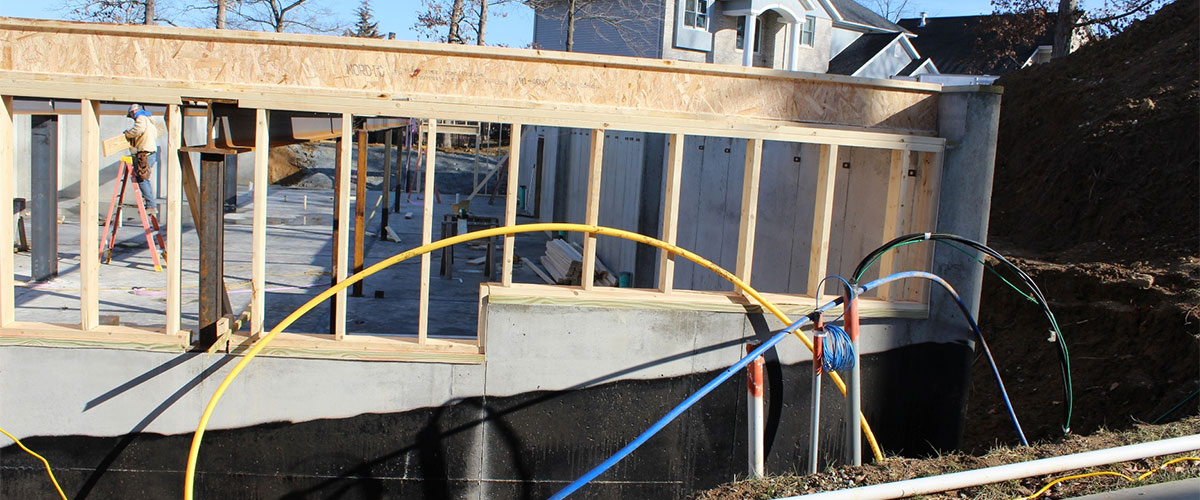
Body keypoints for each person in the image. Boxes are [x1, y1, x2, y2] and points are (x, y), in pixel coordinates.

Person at [123, 103, 158, 214]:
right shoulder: (149, 119)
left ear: (133, 112)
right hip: (150, 152)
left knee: (142, 179)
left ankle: (151, 205)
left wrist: (128, 134)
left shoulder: (141, 118)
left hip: (145, 153)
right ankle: (150, 203)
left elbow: (138, 130)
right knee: (144, 178)